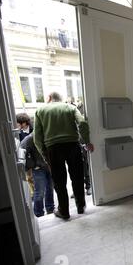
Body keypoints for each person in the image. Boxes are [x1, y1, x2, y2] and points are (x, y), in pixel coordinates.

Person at [34, 92, 94, 220]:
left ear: (49, 98)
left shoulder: (40, 111)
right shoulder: (70, 108)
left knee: (59, 181)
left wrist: (44, 153)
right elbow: (82, 123)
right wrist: (87, 141)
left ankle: (64, 211)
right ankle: (80, 206)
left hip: (53, 148)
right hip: (73, 145)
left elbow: (37, 138)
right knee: (77, 177)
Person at [20, 133, 55, 217]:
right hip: (39, 168)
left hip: (49, 165)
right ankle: (39, 213)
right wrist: (33, 165)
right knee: (40, 191)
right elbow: (22, 151)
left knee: (50, 188)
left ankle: (50, 208)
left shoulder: (47, 134)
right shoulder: (30, 138)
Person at [16, 112, 34, 195]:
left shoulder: (33, 129)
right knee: (29, 177)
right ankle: (32, 192)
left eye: (20, 123)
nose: (19, 125)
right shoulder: (18, 132)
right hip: (26, 157)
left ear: (25, 122)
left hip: (35, 154)